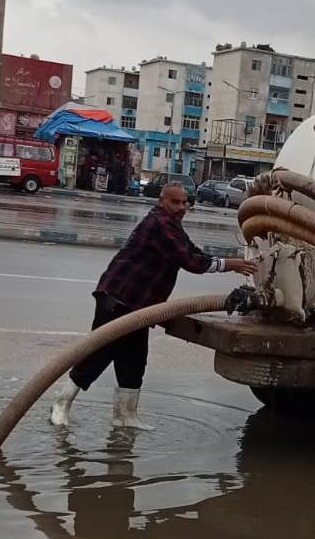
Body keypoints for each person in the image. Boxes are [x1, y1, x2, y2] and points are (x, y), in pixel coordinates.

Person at [50, 182, 257, 428]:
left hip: (140, 307)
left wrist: (229, 260)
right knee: (99, 353)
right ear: (162, 201)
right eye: (175, 202)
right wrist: (229, 264)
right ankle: (61, 402)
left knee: (134, 359)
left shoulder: (172, 226)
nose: (182, 207)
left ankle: (125, 416)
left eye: (185, 202)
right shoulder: (158, 224)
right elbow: (190, 261)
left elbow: (194, 251)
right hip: (119, 298)